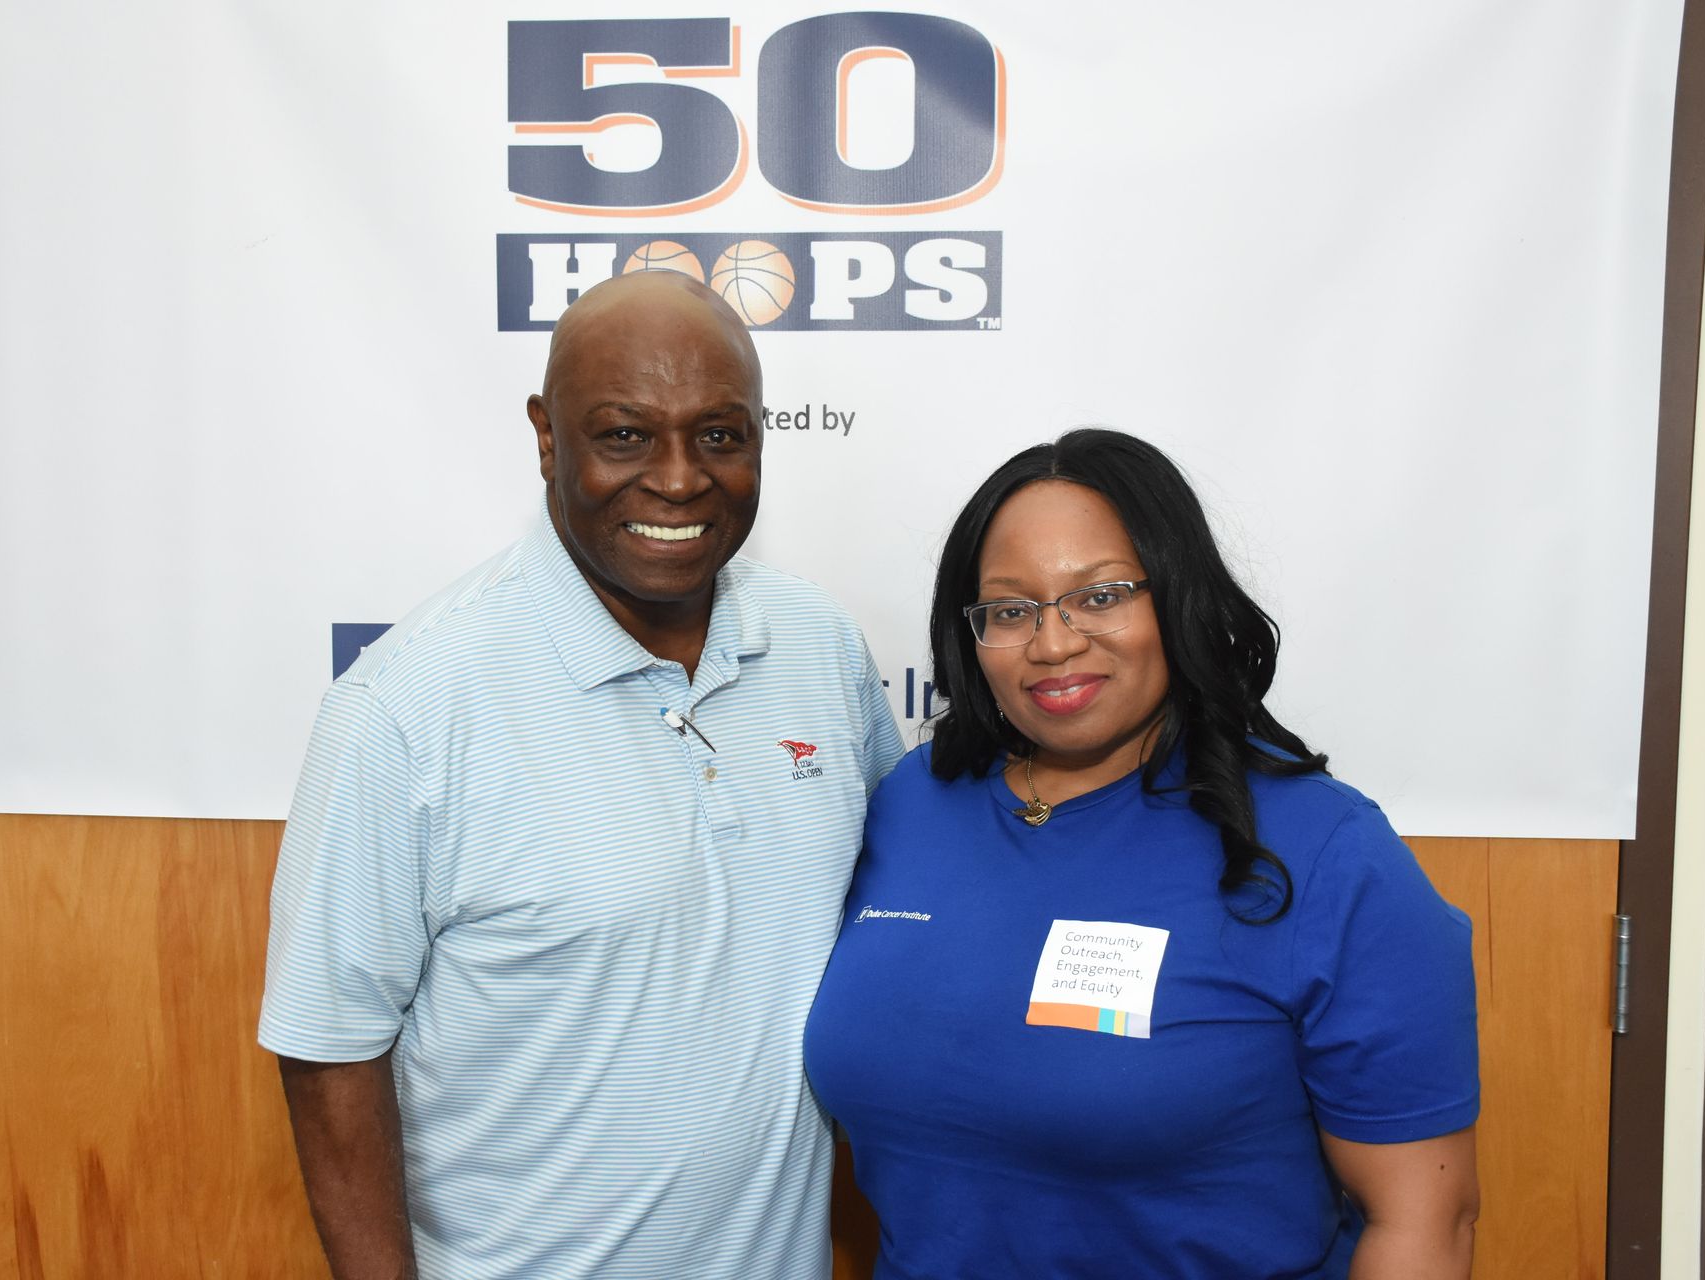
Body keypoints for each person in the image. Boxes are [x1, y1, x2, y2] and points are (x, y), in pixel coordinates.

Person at [260, 270, 904, 1280]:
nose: (681, 478)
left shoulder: (820, 645)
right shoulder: (405, 705)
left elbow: (897, 908)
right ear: (547, 437)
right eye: (625, 435)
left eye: (722, 435)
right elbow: (328, 1051)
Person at [804, 428, 1480, 1279]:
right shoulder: (911, 803)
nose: (1052, 644)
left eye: (1102, 595)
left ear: (1179, 599)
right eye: (1011, 610)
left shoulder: (1326, 852)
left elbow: (1424, 1221)